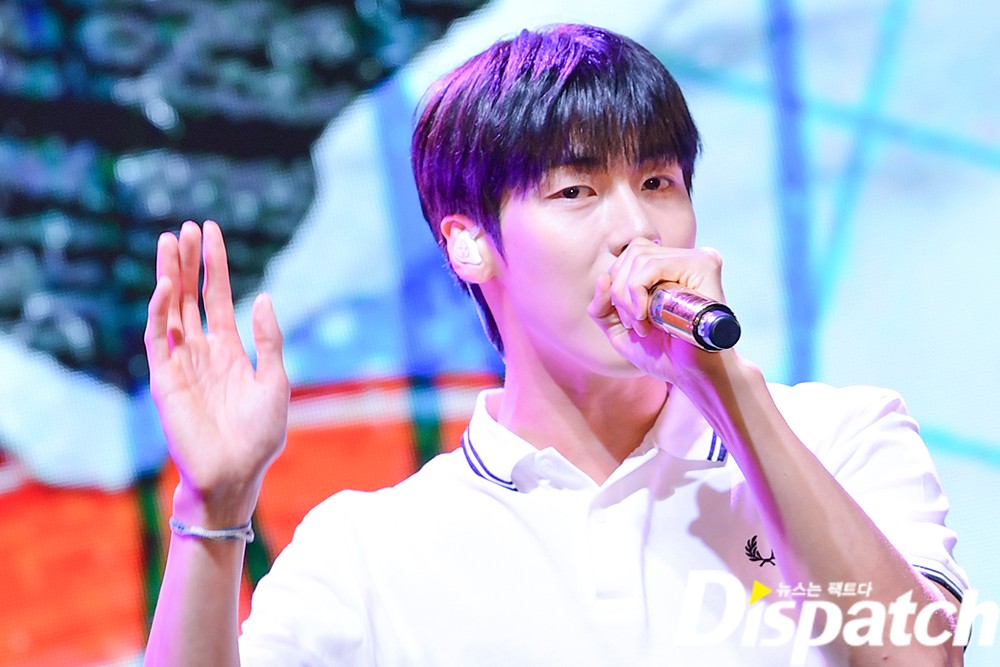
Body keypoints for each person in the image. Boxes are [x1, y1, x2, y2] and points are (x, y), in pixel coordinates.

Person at [142, 23, 967, 666]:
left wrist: (729, 395)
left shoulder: (842, 440)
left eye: (658, 183)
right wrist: (213, 504)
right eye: (577, 191)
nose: (636, 229)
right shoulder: (369, 550)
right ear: (470, 242)